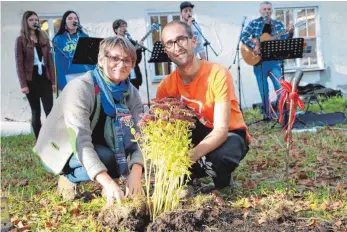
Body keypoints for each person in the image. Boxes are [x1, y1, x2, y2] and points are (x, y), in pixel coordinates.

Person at [33, 36, 144, 204]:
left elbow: (140, 136)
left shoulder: (132, 93)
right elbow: (80, 141)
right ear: (101, 59)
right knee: (105, 158)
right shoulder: (81, 87)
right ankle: (69, 178)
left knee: (115, 161)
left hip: (99, 144)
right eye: (114, 58)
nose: (121, 64)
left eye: (127, 60)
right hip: (64, 147)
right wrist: (108, 183)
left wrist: (136, 172)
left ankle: (102, 175)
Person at [157, 20, 250, 191]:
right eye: (170, 43)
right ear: (166, 51)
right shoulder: (166, 86)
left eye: (181, 39)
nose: (177, 47)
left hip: (229, 134)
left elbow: (221, 131)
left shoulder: (217, 73)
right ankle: (190, 180)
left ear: (193, 41)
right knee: (178, 115)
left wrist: (188, 158)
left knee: (220, 157)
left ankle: (222, 181)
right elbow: (166, 135)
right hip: (196, 136)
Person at [241, 1, 294, 119]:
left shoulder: (277, 24)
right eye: (264, 9)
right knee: (264, 90)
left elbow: (285, 39)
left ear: (272, 11)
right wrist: (253, 45)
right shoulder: (254, 23)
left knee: (280, 87)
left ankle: (282, 114)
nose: (267, 11)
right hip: (259, 62)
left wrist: (290, 33)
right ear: (260, 11)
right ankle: (268, 114)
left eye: (269, 9)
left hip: (275, 62)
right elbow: (243, 36)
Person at [15, 11, 56, 139]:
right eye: (31, 20)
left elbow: (49, 61)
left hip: (45, 78)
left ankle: (51, 138)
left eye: (36, 20)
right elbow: (19, 63)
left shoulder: (44, 37)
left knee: (50, 110)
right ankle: (39, 140)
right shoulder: (21, 40)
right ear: (26, 22)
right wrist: (23, 84)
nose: (35, 22)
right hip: (31, 80)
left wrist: (53, 81)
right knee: (36, 111)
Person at [53, 10, 95, 91]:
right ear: (65, 22)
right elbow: (58, 63)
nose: (74, 20)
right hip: (69, 77)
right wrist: (62, 82)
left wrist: (93, 76)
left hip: (85, 75)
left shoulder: (84, 36)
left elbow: (91, 59)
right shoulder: (58, 39)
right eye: (70, 18)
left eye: (76, 18)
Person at [112, 19, 143, 90]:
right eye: (122, 26)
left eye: (125, 26)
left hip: (133, 75)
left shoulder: (131, 42)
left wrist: (138, 49)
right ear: (116, 30)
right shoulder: (113, 43)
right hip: (121, 76)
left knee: (135, 97)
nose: (124, 28)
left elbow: (137, 60)